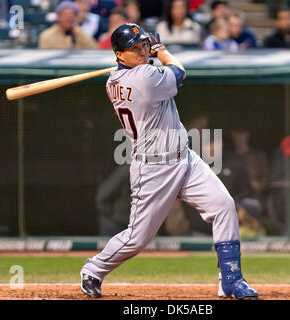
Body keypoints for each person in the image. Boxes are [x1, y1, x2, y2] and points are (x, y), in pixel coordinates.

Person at [80, 23, 258, 300]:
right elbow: (180, 71)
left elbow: (142, 70)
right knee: (138, 238)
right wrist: (161, 51)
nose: (141, 51)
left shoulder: (114, 81)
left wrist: (144, 56)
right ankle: (93, 269)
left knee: (224, 206)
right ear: (119, 54)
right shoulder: (145, 78)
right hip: (153, 167)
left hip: (185, 158)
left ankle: (231, 281)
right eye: (134, 49)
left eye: (144, 46)